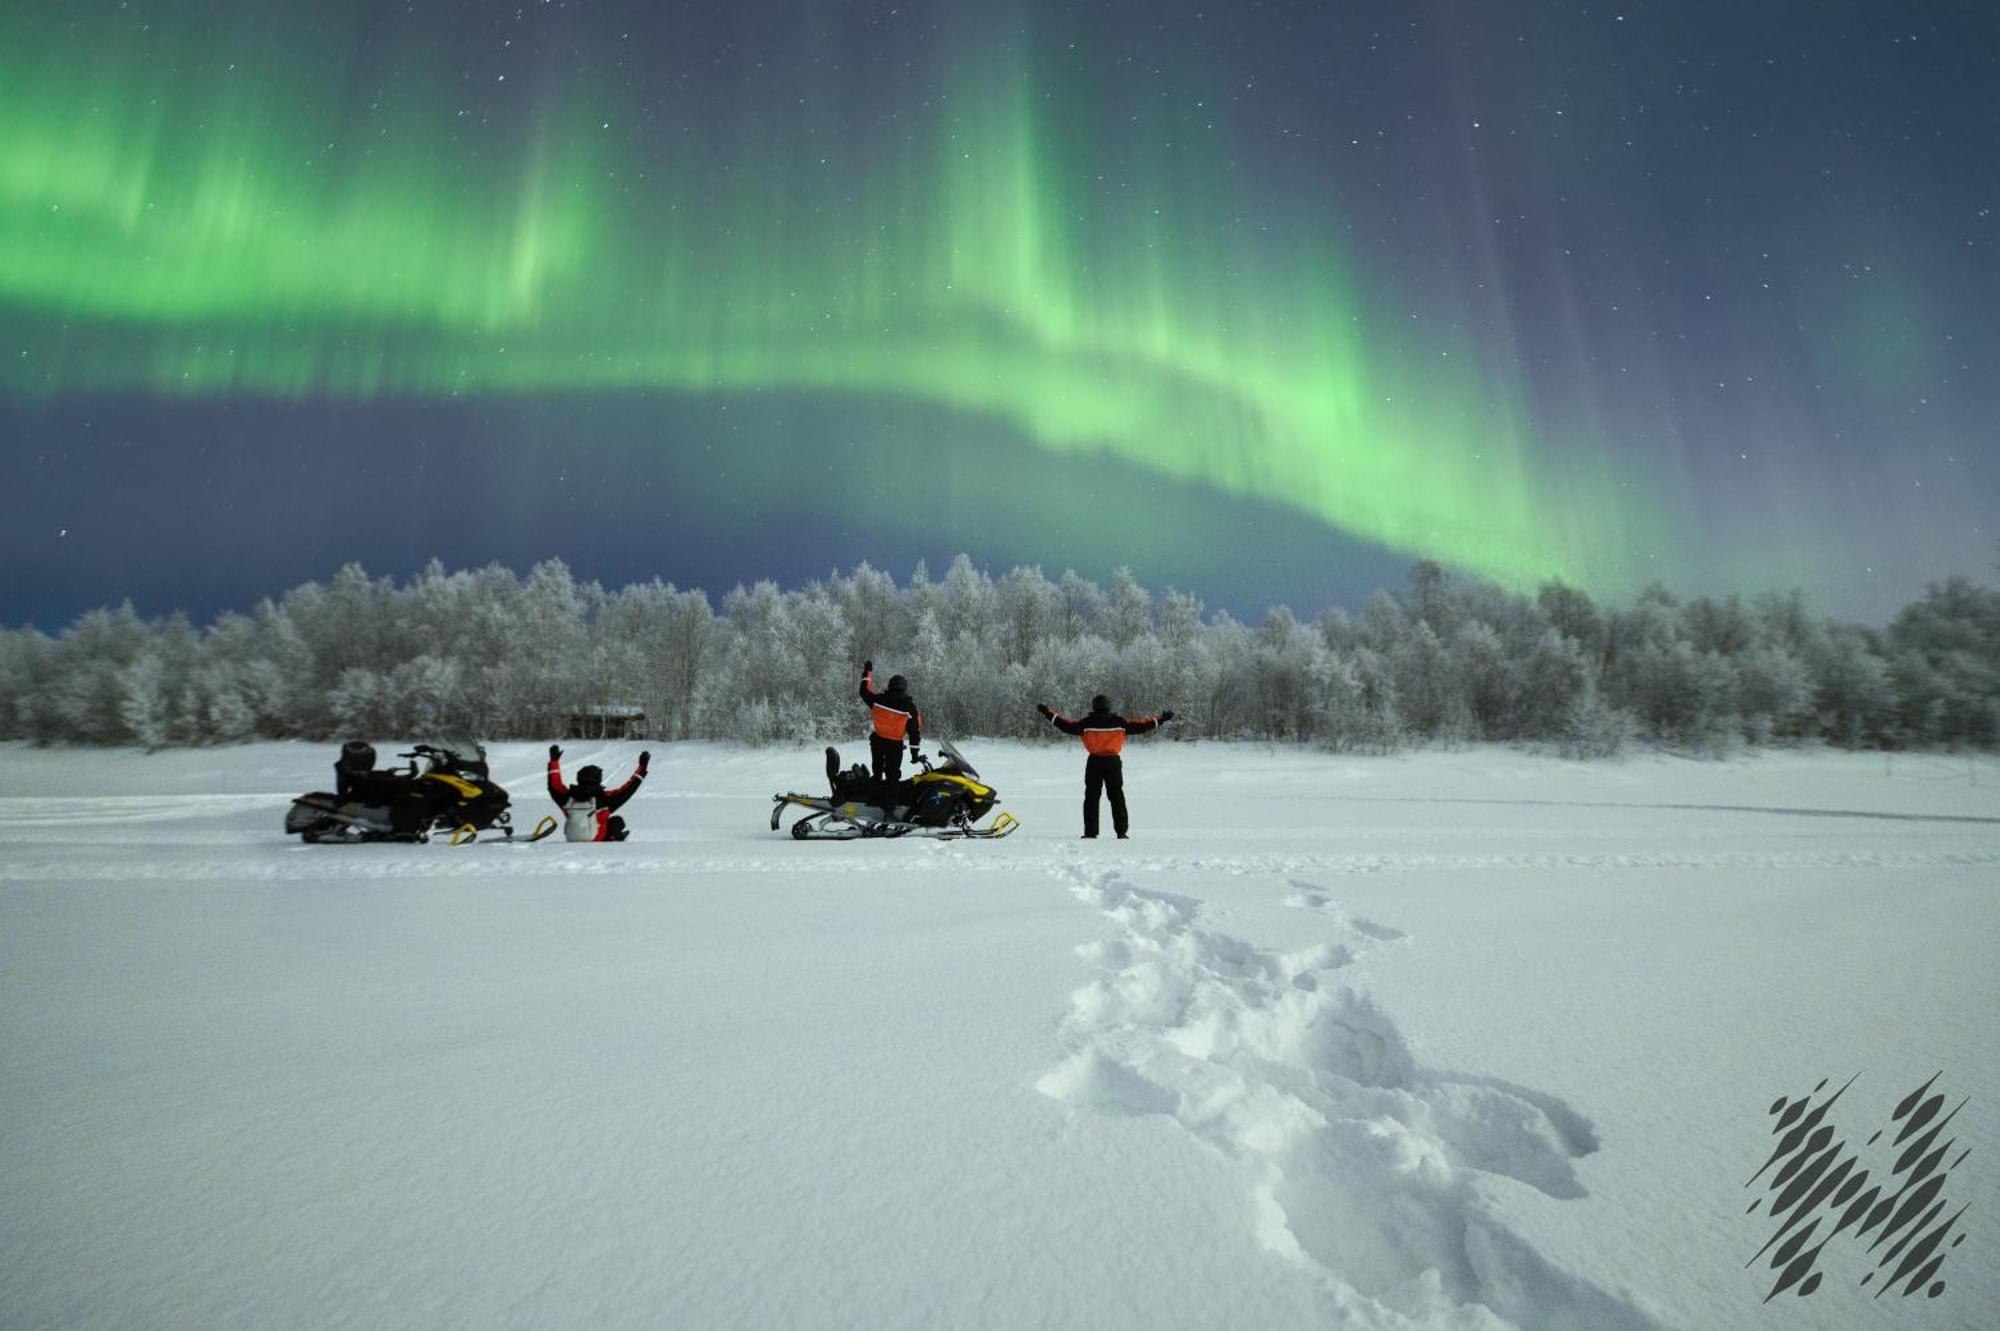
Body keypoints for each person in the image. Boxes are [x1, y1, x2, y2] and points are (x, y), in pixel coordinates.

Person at [1036, 694, 1174, 839]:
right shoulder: (1119, 722)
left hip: (1094, 762)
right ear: (1109, 706)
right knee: (1117, 797)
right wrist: (1161, 719)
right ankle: (1121, 832)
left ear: (1094, 706)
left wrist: (1047, 712)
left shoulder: (1087, 723)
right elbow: (1142, 726)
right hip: (1113, 762)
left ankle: (1090, 833)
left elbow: (1065, 725)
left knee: (1091, 797)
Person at [547, 744, 648, 842]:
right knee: (617, 821)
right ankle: (612, 838)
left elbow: (554, 785)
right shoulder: (604, 798)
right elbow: (628, 789)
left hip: (571, 837)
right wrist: (642, 768)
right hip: (596, 838)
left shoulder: (568, 797)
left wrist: (554, 762)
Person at [858, 660, 922, 805]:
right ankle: (889, 807)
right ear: (904, 688)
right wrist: (915, 753)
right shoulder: (909, 707)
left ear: (890, 686)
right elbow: (914, 732)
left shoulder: (878, 700)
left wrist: (867, 673)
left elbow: (864, 692)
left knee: (877, 771)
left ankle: (874, 799)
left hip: (878, 741)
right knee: (893, 776)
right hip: (894, 745)